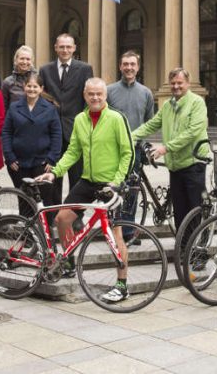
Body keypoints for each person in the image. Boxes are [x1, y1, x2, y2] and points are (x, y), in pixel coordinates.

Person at [36, 78, 134, 301]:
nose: (95, 98)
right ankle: (68, 262)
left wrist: (117, 181)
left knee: (115, 234)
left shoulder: (117, 119)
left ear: (105, 95)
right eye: (91, 94)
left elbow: (128, 152)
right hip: (87, 181)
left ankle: (122, 285)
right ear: (84, 95)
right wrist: (55, 172)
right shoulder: (80, 119)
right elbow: (73, 151)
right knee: (62, 219)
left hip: (111, 184)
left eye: (99, 94)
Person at [132, 68, 209, 235]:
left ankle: (197, 254)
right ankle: (183, 250)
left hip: (194, 163)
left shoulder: (197, 102)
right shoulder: (167, 105)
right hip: (176, 166)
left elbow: (192, 132)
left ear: (187, 84)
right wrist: (130, 136)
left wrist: (165, 148)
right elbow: (151, 125)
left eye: (180, 83)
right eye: (173, 83)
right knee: (180, 212)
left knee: (194, 212)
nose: (176, 86)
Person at [39, 33, 93, 201]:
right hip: (52, 133)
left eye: (68, 47)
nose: (65, 50)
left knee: (77, 178)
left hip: (76, 132)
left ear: (74, 48)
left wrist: (85, 124)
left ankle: (75, 217)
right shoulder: (45, 70)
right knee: (53, 177)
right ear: (55, 48)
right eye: (61, 46)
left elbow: (88, 98)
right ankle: (53, 215)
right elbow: (42, 95)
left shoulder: (85, 69)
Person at [107, 50, 154, 241]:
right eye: (125, 64)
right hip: (113, 151)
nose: (129, 67)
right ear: (120, 66)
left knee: (132, 191)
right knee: (113, 190)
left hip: (134, 151)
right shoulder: (109, 91)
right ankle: (113, 229)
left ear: (138, 67)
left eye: (132, 64)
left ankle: (128, 231)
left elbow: (149, 122)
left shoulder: (146, 93)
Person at [2, 73, 61, 209]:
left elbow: (56, 134)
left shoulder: (50, 109)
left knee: (43, 199)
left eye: (35, 86)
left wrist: (52, 158)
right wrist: (9, 157)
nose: (32, 89)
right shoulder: (14, 107)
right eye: (29, 86)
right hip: (18, 163)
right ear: (24, 87)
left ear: (41, 88)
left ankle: (44, 229)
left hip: (42, 162)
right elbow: (6, 132)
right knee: (24, 199)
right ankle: (25, 228)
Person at [1, 45, 36, 110]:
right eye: (22, 58)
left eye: (28, 59)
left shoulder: (38, 81)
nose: (25, 62)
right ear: (16, 60)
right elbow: (4, 108)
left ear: (32, 61)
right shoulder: (7, 82)